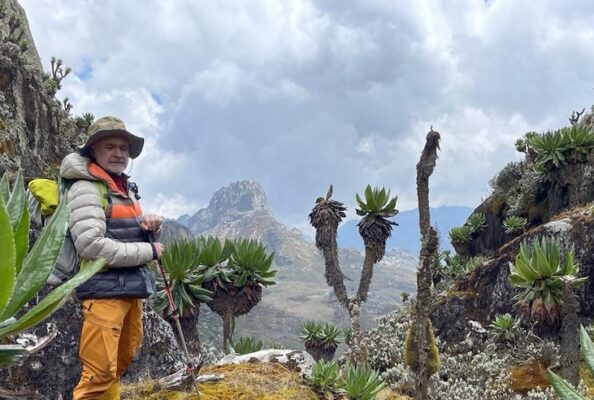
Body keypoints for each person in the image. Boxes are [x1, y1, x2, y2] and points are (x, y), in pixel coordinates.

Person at [59, 116, 164, 400]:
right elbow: (91, 246)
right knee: (97, 376)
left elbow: (122, 230)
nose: (119, 153)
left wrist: (149, 225)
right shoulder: (86, 187)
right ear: (93, 150)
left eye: (123, 148)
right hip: (103, 293)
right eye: (110, 146)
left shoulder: (122, 188)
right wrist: (149, 252)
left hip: (129, 290)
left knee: (116, 366)